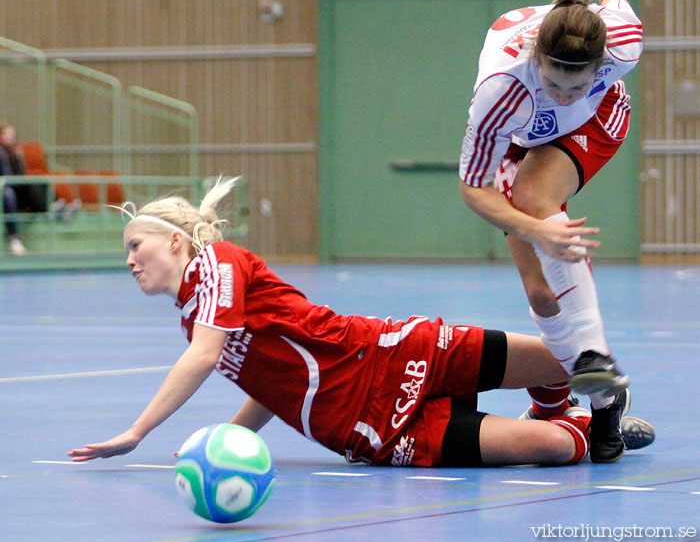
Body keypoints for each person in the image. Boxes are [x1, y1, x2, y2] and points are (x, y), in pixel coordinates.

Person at [68, 178, 653, 468]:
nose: (128, 260)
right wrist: (235, 439)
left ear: (175, 241)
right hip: (367, 424)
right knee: (551, 450)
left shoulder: (219, 266)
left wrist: (135, 432)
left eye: (134, 244)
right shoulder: (194, 316)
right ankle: (572, 428)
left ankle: (565, 408)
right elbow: (277, 386)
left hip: (389, 352)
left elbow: (200, 358)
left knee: (568, 361)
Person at [458, 0, 643, 463]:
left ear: (601, 67)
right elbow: (473, 189)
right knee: (542, 293)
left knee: (533, 195)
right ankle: (594, 401)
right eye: (554, 84)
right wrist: (539, 231)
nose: (563, 96)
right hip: (520, 138)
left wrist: (613, 2)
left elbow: (618, 10)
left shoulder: (622, 46)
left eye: (576, 85)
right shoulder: (501, 89)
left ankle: (594, 367)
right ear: (537, 58)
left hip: (597, 121)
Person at [0, 124, 30, 256]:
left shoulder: (15, 154)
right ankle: (13, 237)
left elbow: (19, 175)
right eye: (5, 134)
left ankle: (55, 205)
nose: (8, 137)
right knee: (8, 194)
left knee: (35, 185)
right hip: (4, 189)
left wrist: (18, 159)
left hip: (12, 185)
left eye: (11, 135)